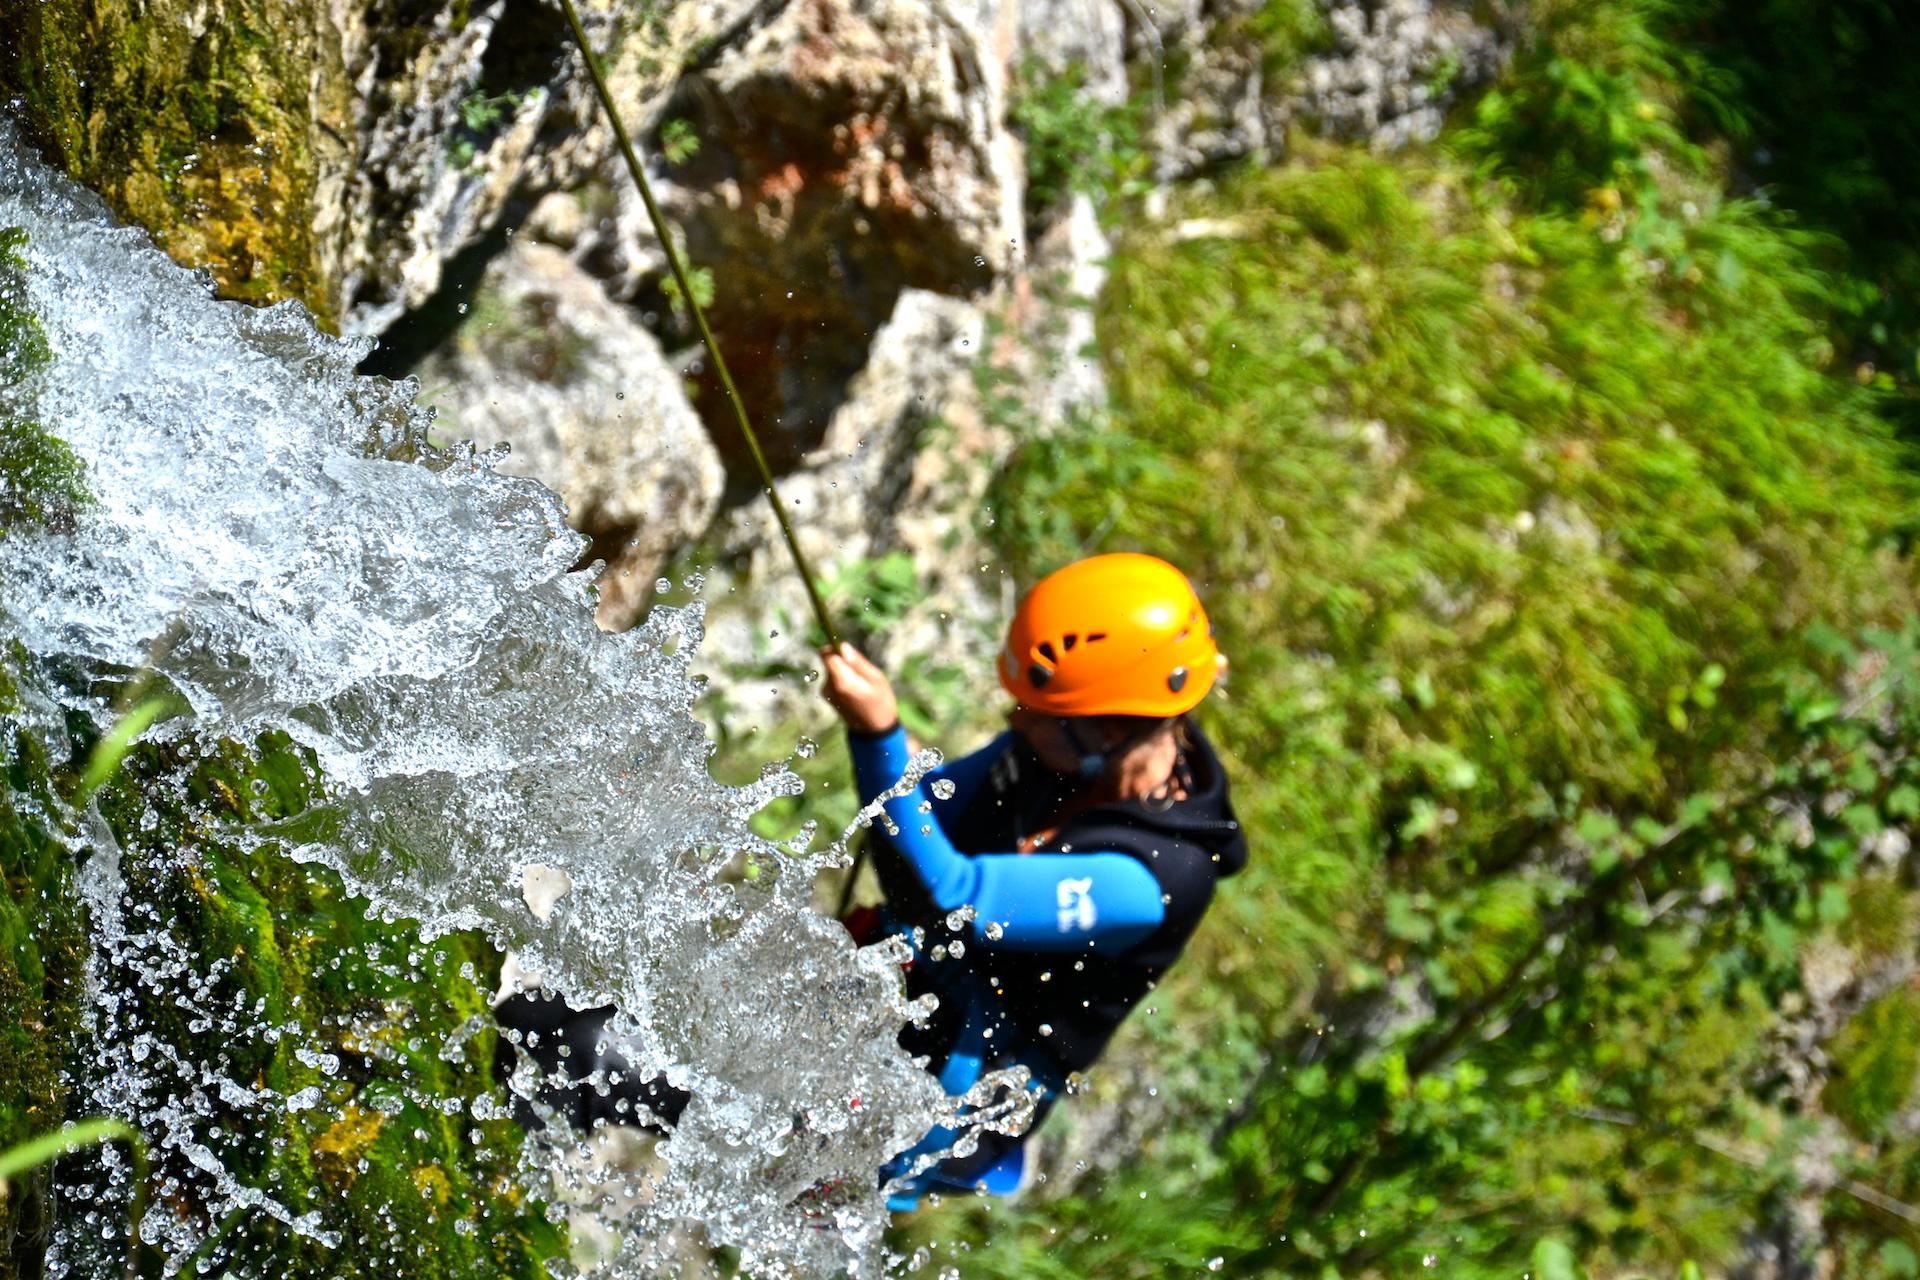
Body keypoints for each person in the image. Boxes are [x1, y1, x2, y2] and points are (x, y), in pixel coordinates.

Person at [819, 552, 1247, 1207]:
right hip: (881, 1008)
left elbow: (947, 901)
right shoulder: (1056, 753)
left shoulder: (1154, 879)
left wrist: (878, 737)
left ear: (1111, 726)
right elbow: (925, 817)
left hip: (930, 1104)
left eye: (1040, 711)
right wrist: (893, 757)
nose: (1015, 719)